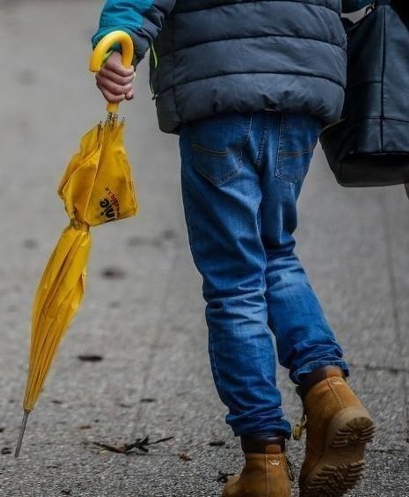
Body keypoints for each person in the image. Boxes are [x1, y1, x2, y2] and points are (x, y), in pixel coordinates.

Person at [92, 1, 375, 496]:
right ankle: (329, 390)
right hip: (304, 87)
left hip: (219, 90)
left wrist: (119, 43)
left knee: (234, 281)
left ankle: (264, 462)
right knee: (276, 251)